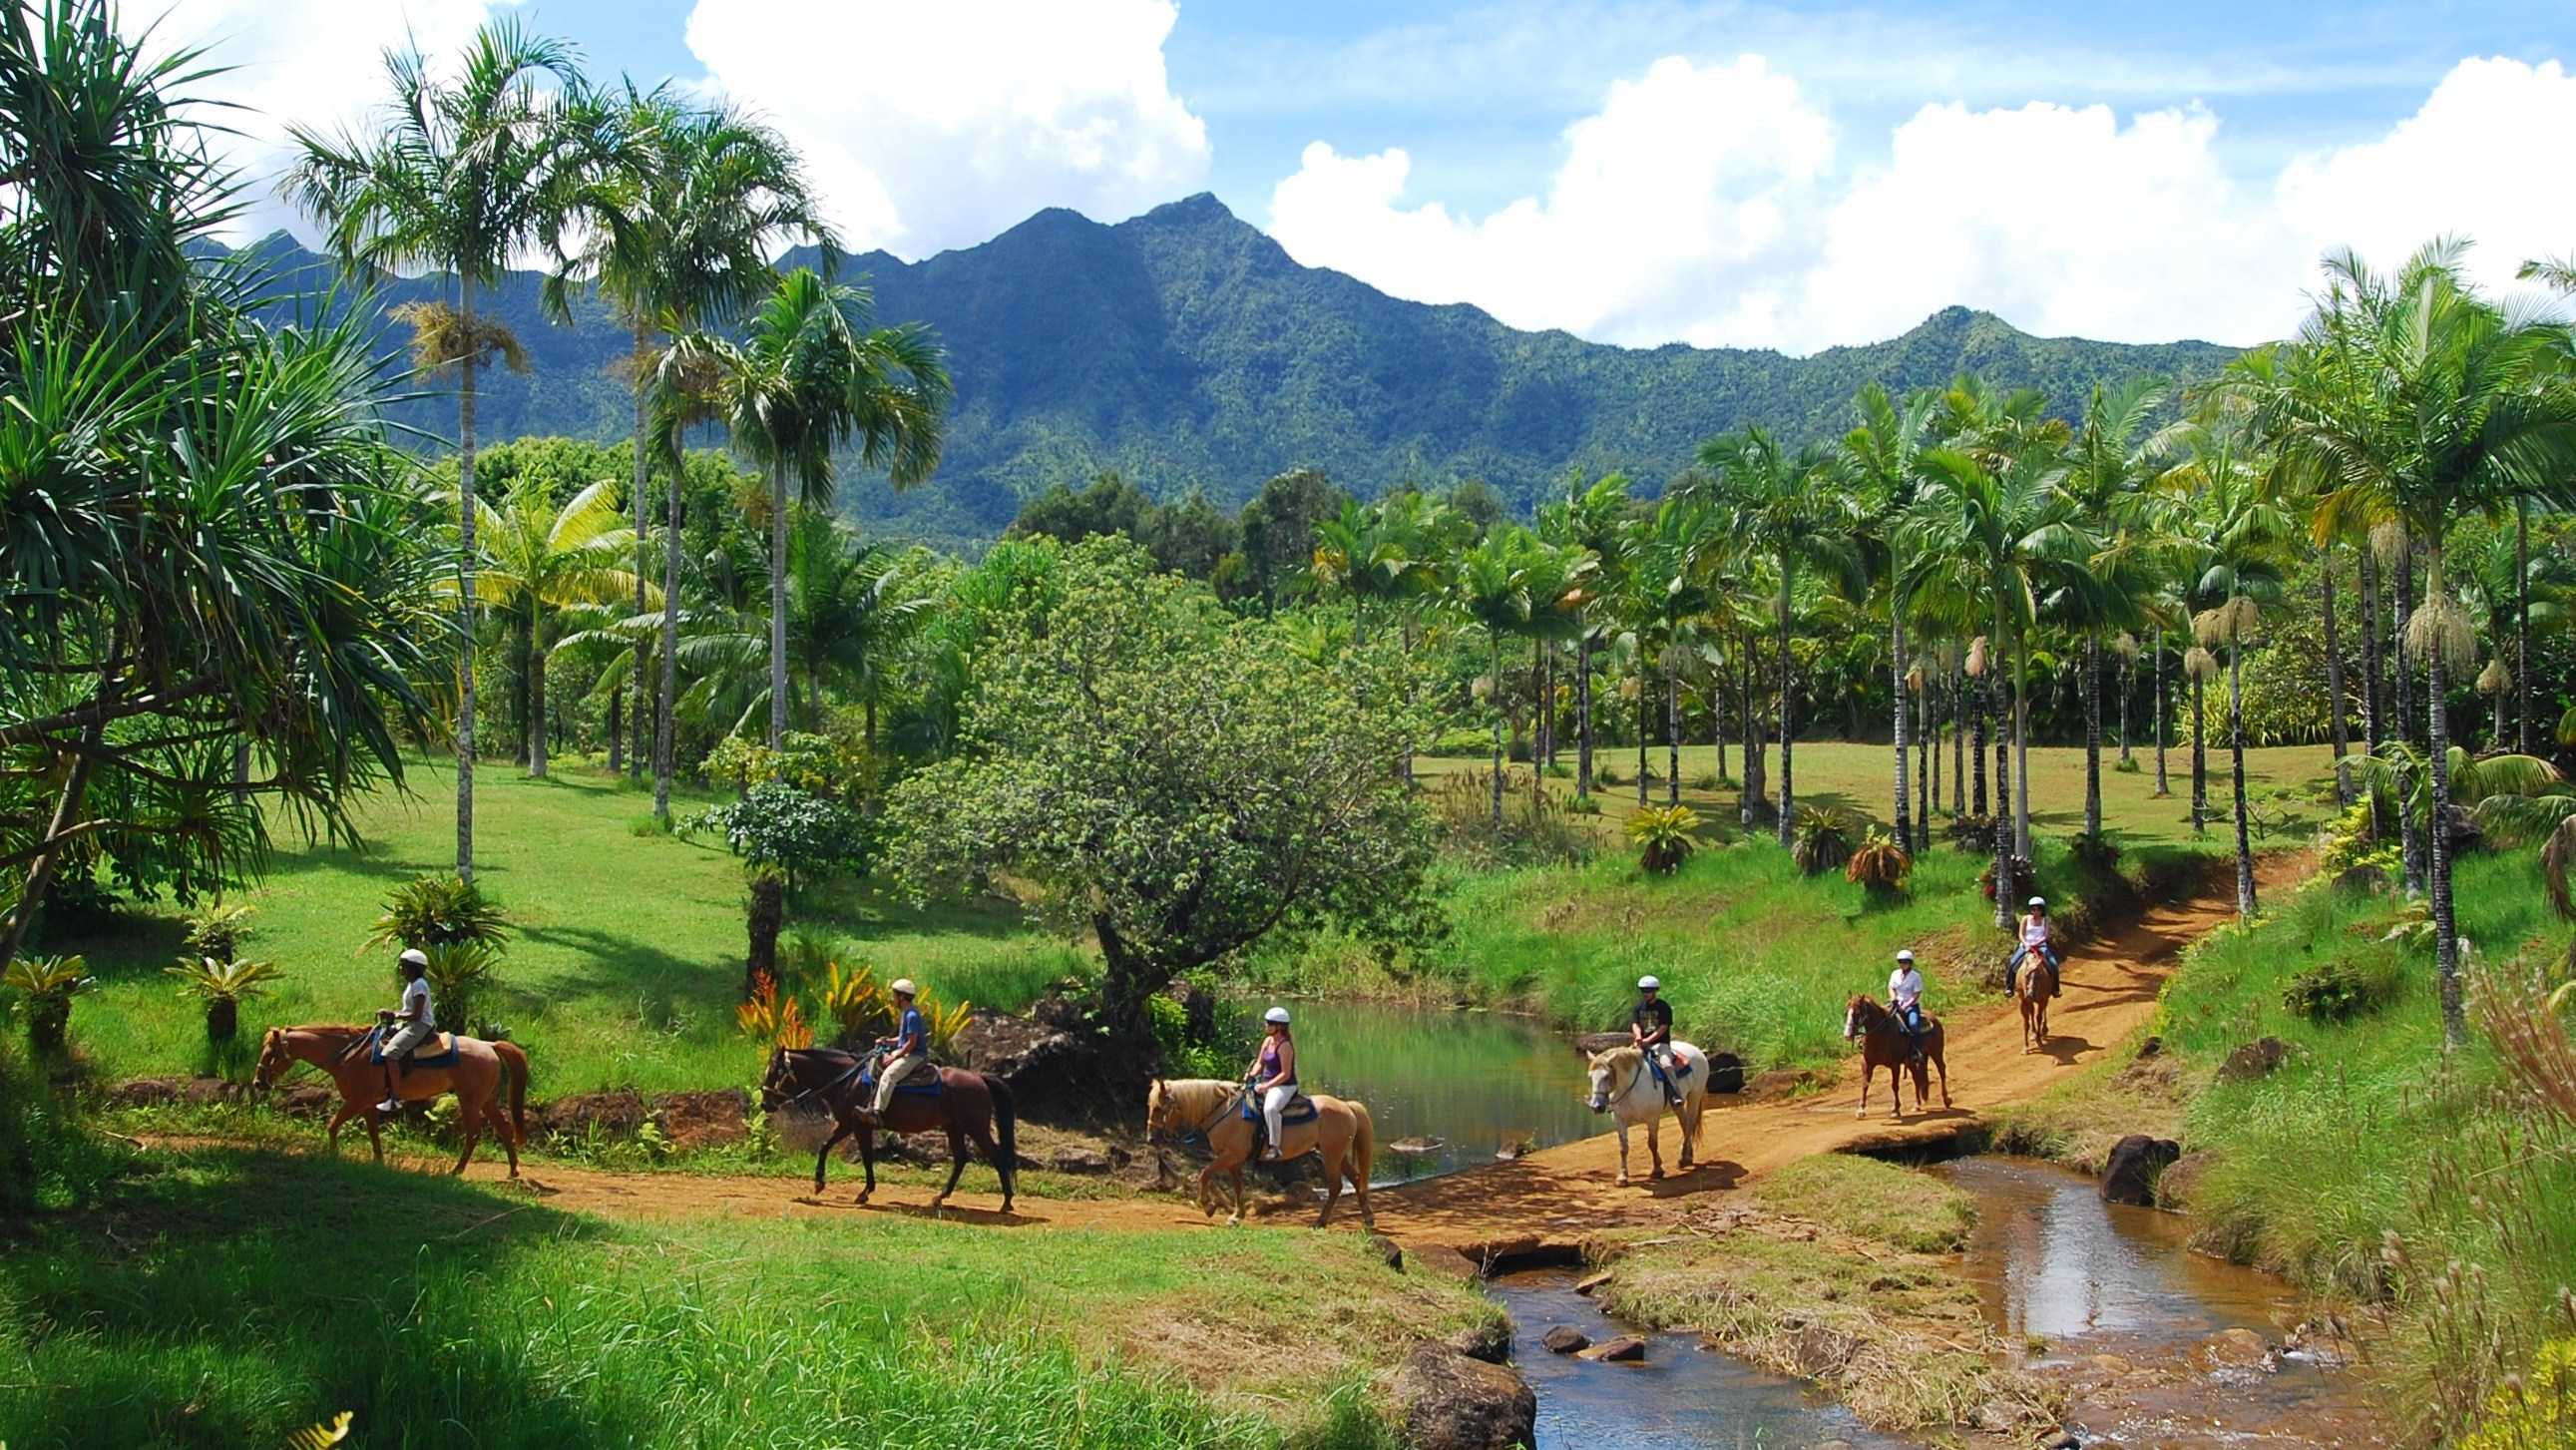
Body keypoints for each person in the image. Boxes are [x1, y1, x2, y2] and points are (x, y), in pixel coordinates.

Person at [374, 948, 436, 1114]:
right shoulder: (413, 984)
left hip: (420, 1025)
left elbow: (416, 1014)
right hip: (412, 1023)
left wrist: (394, 1014)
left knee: (390, 1053)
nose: (401, 969)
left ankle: (395, 1097)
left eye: (403, 966)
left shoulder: (419, 985)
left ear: (413, 967)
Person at [868, 978, 931, 1123]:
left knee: (889, 1075)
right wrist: (888, 1041)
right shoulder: (906, 1012)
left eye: (894, 995)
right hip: (907, 1051)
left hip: (915, 1055)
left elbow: (911, 1043)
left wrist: (895, 1057)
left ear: (902, 997)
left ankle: (877, 1112)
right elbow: (903, 1038)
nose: (893, 998)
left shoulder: (912, 1015)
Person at [1247, 1006, 1298, 1161]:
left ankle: (1275, 1147)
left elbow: (1285, 1074)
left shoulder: (1285, 1046)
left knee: (1270, 1108)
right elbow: (1260, 1063)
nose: (1266, 1025)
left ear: (1279, 1027)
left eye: (1269, 1023)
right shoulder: (1268, 1041)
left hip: (1284, 1086)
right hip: (1267, 1083)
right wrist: (1251, 1074)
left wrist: (1266, 1086)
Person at [1629, 975, 1682, 1107]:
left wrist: (1648, 1040)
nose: (1645, 993)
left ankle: (1675, 1094)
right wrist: (1638, 1036)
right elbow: (1635, 1024)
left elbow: (1663, 1027)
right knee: (1622, 1062)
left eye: (1648, 990)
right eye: (1643, 990)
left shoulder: (1663, 1007)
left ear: (1655, 991)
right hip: (1641, 1043)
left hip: (1660, 1044)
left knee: (1666, 1065)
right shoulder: (1638, 1007)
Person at [2011, 896, 2062, 997]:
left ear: (2042, 910)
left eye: (2038, 909)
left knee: (2054, 964)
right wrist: (2026, 944)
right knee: (2012, 963)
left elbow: (2046, 935)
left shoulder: (2045, 920)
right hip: (2026, 946)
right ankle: (2010, 987)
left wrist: (2037, 943)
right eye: (2033, 909)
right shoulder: (2025, 919)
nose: (2035, 911)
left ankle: (2055, 989)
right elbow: (2021, 934)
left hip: (2041, 946)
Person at [1888, 949, 1928, 1066]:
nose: (1903, 964)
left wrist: (1906, 1005)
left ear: (1910, 963)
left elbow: (1916, 994)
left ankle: (1916, 1050)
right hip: (1896, 1003)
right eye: (1900, 962)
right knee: (1881, 1019)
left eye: (1905, 962)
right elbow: (1891, 987)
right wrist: (1893, 997)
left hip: (1911, 1005)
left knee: (1914, 1024)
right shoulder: (1895, 974)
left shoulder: (1916, 976)